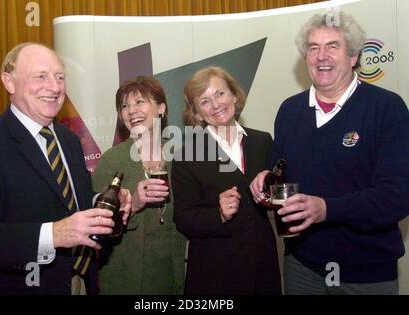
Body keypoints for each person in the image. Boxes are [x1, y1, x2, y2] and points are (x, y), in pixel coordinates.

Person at [250, 11, 409, 295]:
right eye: (313, 48)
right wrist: (265, 180)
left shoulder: (387, 108)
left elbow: (397, 198)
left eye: (332, 46)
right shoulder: (289, 110)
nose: (321, 56)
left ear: (353, 57)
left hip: (365, 274)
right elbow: (280, 173)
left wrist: (327, 209)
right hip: (301, 266)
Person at [0, 42, 131, 295]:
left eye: (59, 77)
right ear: (9, 82)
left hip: (80, 282)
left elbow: (71, 202)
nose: (54, 87)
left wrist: (104, 203)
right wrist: (53, 235)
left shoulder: (68, 139)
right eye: (41, 76)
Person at [171, 66, 281, 295]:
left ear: (234, 95)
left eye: (220, 94)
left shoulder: (262, 141)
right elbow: (183, 219)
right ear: (198, 114)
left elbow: (278, 195)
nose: (216, 104)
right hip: (216, 272)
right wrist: (218, 214)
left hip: (263, 265)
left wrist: (271, 182)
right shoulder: (186, 156)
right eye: (205, 101)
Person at [92, 76, 186, 294]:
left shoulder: (181, 156)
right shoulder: (111, 161)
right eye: (124, 106)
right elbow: (96, 226)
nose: (131, 111)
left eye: (139, 102)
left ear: (161, 108)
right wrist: (133, 204)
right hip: (125, 275)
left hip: (172, 274)